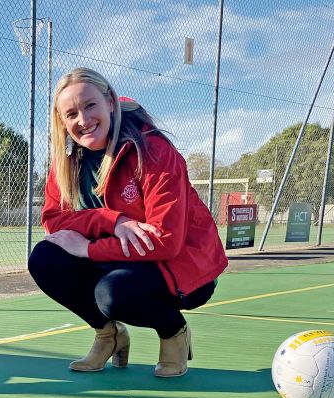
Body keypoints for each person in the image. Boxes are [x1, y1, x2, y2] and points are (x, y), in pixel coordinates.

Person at [27, 67, 227, 377]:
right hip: (123, 256)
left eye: (90, 105)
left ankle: (173, 331)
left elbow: (165, 240)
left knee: (114, 293)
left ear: (109, 102)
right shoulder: (65, 162)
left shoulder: (153, 150)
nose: (83, 120)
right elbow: (54, 221)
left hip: (184, 266)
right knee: (44, 258)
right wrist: (111, 220)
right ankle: (110, 335)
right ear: (62, 122)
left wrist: (89, 251)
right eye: (71, 114)